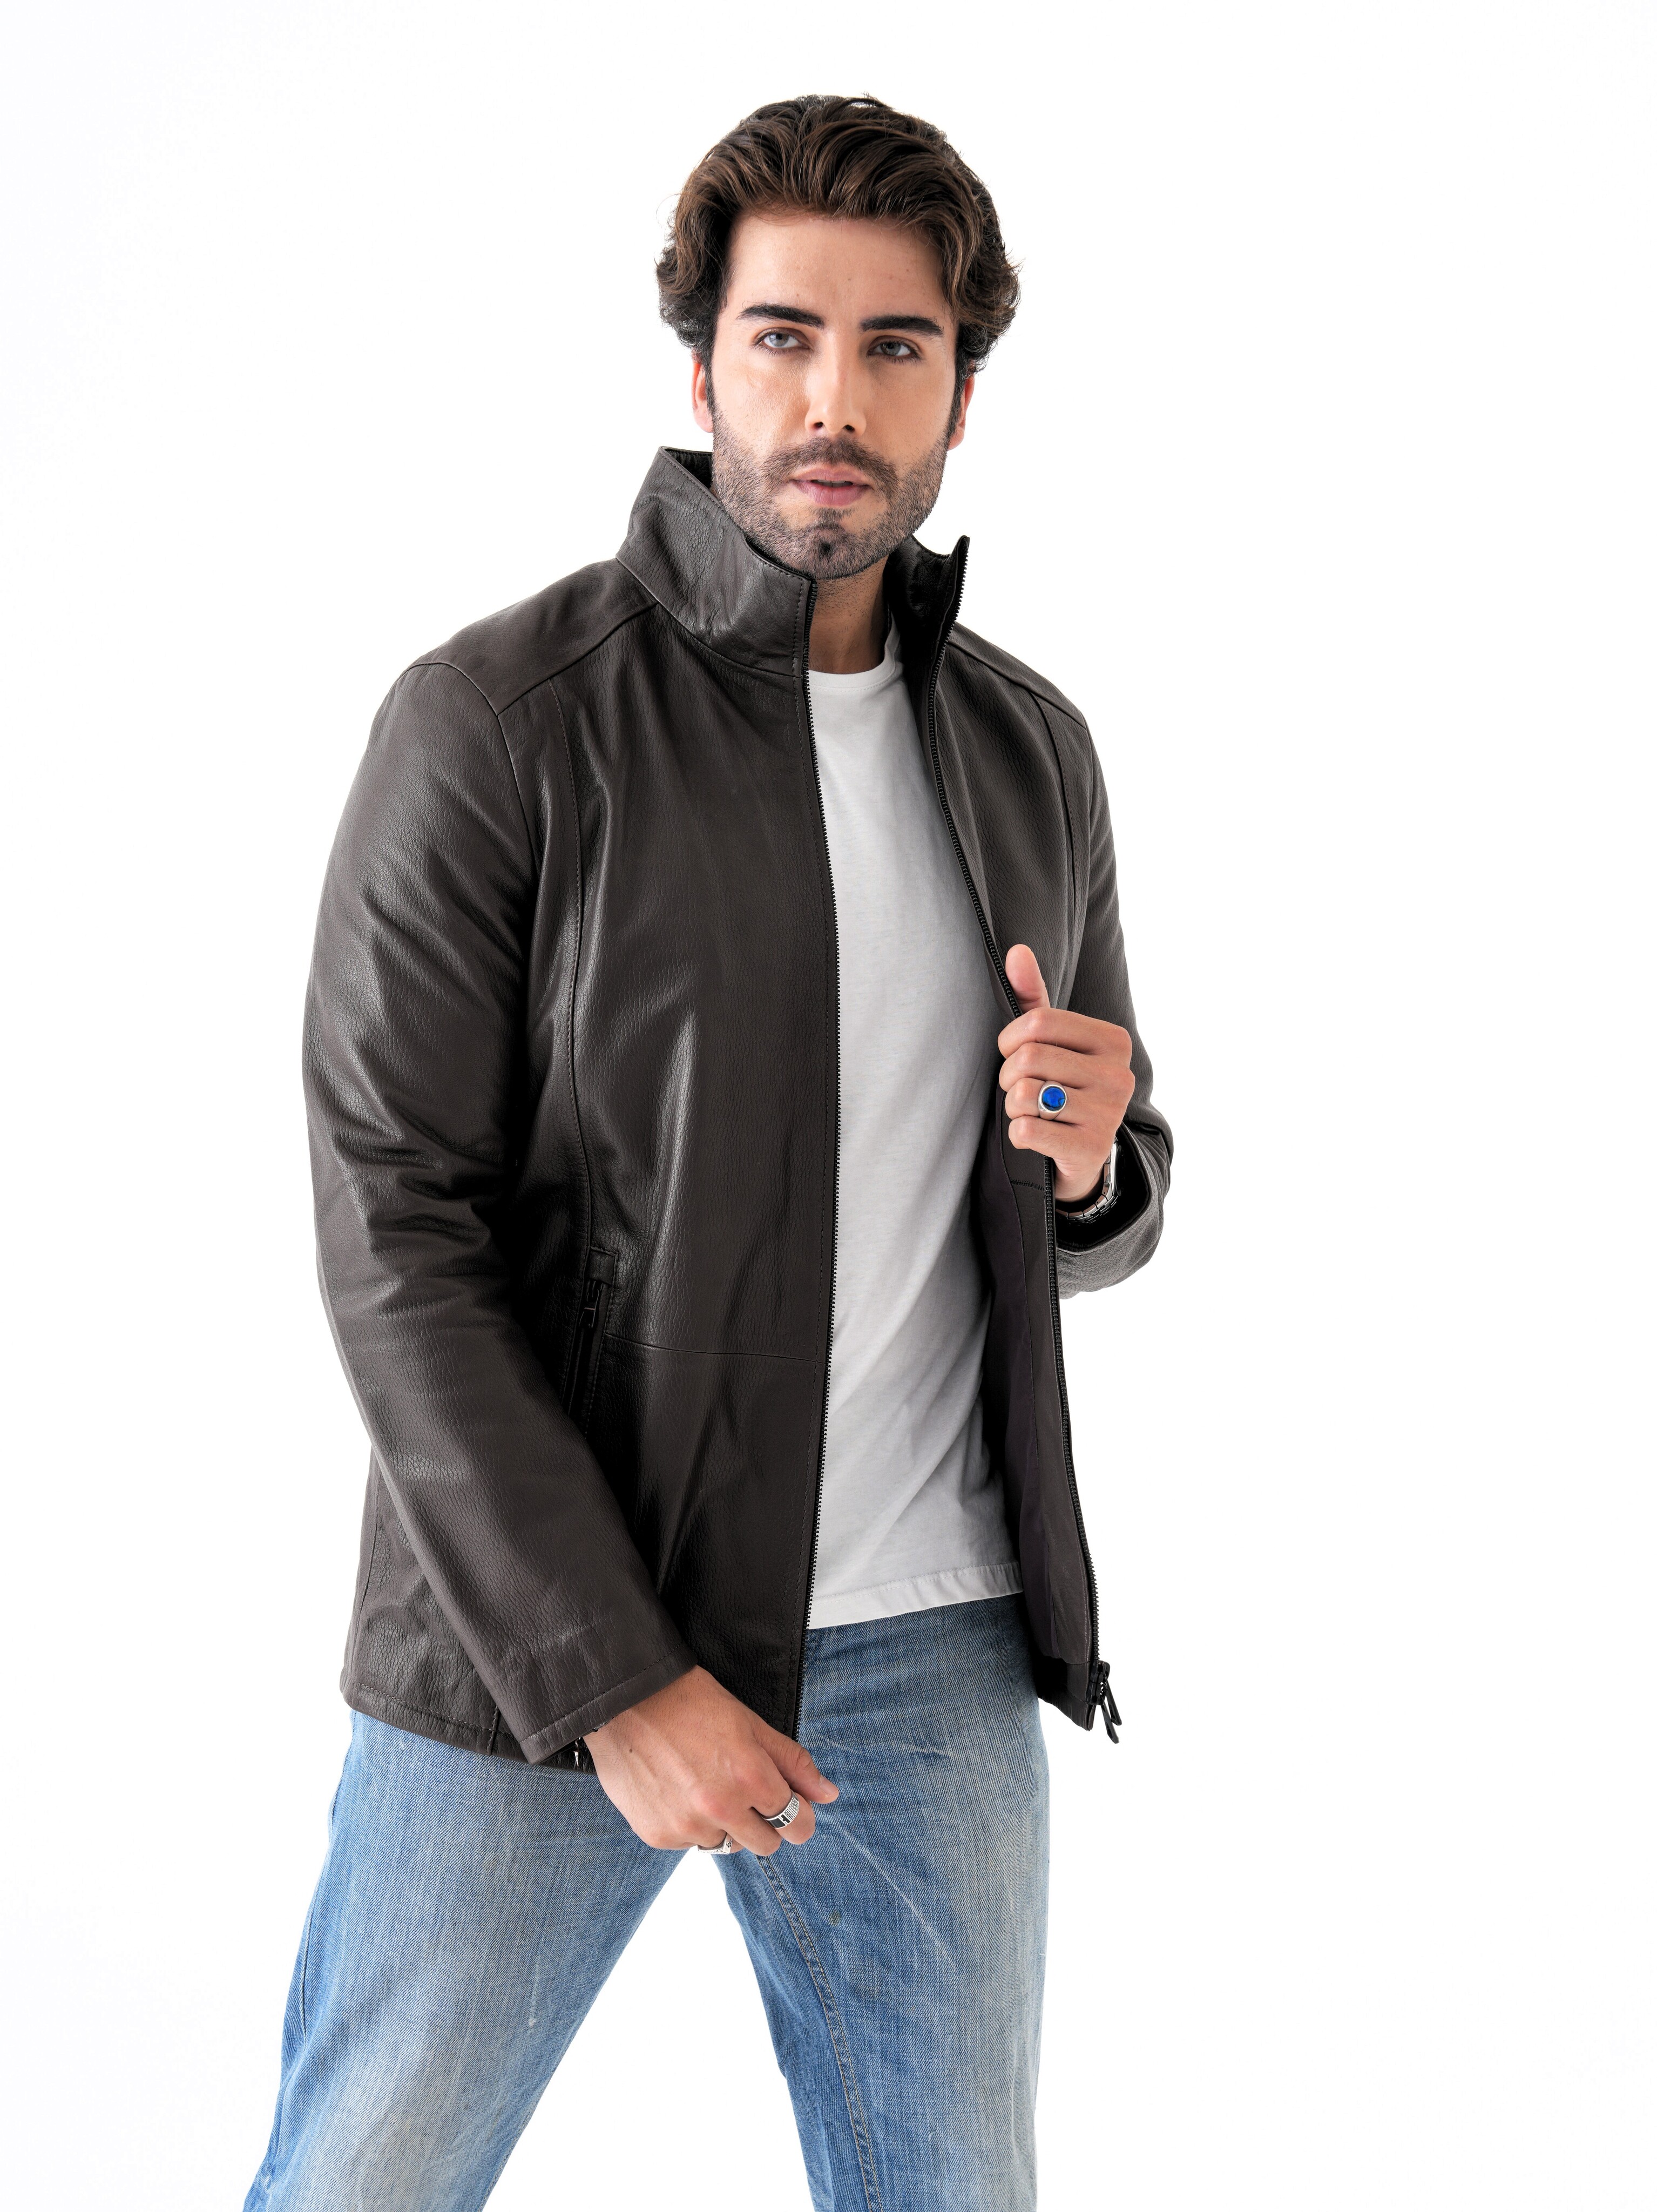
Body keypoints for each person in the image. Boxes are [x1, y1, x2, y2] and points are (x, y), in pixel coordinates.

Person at [245, 92, 1173, 2212]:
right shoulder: (501, 722)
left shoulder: (1029, 747)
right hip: (553, 1635)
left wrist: (1097, 1162)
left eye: (895, 346)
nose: (835, 399)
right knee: (365, 2180)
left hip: (934, 1633)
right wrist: (617, 1675)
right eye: (784, 337)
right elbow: (395, 1236)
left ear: (960, 394)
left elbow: (1100, 1186)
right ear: (702, 371)